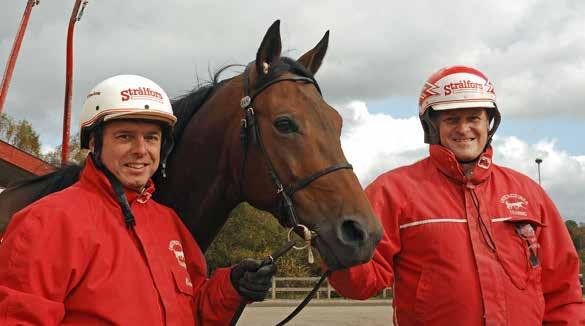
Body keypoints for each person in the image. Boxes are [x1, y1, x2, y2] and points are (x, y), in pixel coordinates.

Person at [0, 75, 276, 325]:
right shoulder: (46, 222)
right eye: (125, 137)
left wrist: (230, 288)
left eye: (151, 138)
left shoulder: (168, 223)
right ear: (94, 144)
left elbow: (192, 311)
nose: (141, 150)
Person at [328, 66, 585, 325]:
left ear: (489, 123)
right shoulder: (391, 191)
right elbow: (360, 284)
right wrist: (329, 237)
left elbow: (564, 292)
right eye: (451, 119)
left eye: (474, 118)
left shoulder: (529, 193)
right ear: (432, 125)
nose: (464, 129)